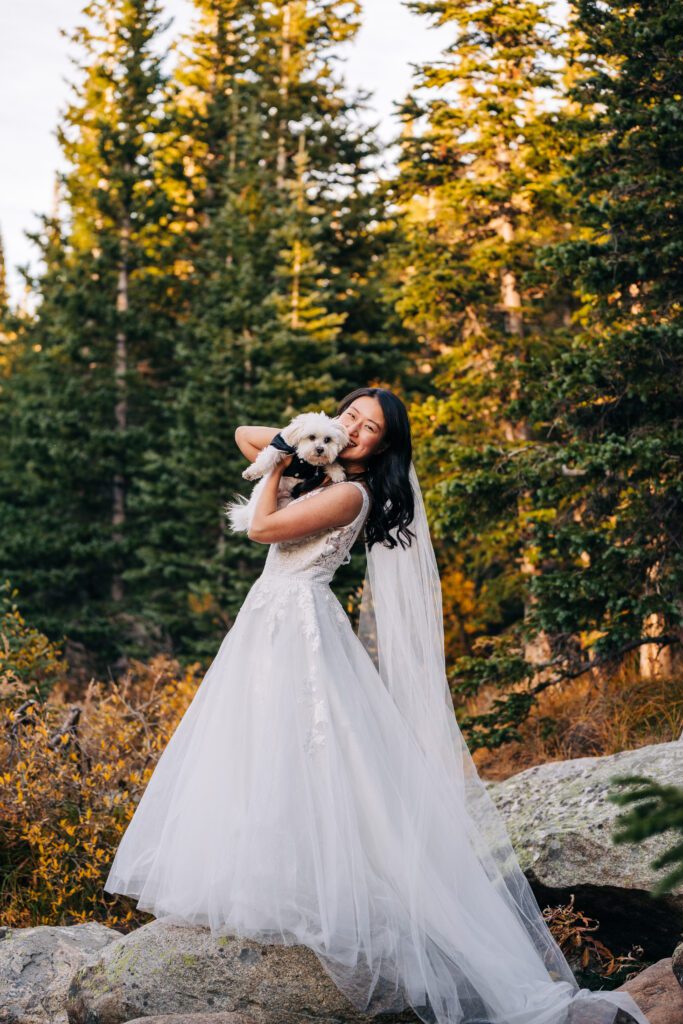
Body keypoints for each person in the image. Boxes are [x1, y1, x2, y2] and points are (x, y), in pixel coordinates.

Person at [104, 387, 650, 1024]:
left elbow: (260, 528)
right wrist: (301, 438)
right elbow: (244, 435)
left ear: (384, 447)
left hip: (296, 625)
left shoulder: (349, 493)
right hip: (269, 621)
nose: (354, 429)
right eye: (349, 417)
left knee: (309, 752)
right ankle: (268, 880)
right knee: (258, 746)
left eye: (368, 428)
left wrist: (283, 462)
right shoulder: (324, 466)